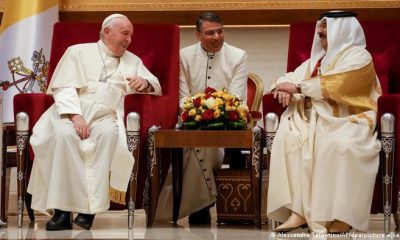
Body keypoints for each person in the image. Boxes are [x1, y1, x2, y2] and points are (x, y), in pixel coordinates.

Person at [27, 13, 162, 231]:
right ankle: (61, 212)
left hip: (107, 116)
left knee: (109, 136)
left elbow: (155, 84)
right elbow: (63, 87)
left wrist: (144, 82)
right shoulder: (77, 51)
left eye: (131, 36)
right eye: (125, 33)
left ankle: (89, 210)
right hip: (70, 113)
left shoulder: (133, 60)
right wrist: (75, 116)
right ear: (107, 32)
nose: (129, 39)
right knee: (63, 137)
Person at [267, 11, 381, 233]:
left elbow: (339, 85)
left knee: (340, 145)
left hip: (349, 118)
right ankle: (298, 212)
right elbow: (290, 76)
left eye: (324, 34)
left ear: (341, 32)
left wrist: (299, 88)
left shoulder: (359, 57)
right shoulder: (317, 61)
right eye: (319, 35)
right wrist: (282, 87)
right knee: (291, 139)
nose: (320, 39)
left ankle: (341, 216)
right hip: (315, 118)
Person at [154, 12, 248, 224]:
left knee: (209, 142)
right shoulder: (183, 56)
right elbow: (181, 96)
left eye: (220, 31)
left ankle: (200, 205)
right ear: (198, 35)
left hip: (226, 121)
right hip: (190, 120)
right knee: (198, 141)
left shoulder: (238, 55)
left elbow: (237, 96)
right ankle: (203, 203)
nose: (217, 37)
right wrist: (195, 113)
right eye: (210, 33)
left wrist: (219, 112)